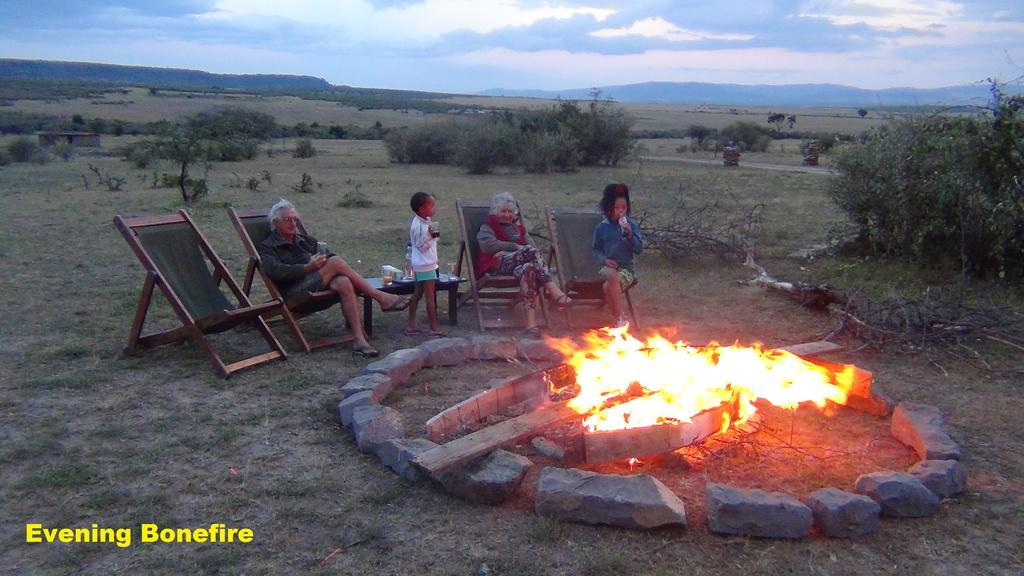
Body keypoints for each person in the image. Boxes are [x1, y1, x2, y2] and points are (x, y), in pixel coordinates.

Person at [258, 198, 410, 357]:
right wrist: (306, 268)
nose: (293, 223)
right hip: (294, 292)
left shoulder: (304, 240)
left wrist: (321, 262)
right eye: (287, 219)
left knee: (343, 281)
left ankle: (360, 340)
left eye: (295, 219)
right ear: (275, 223)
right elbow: (276, 271)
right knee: (335, 262)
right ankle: (380, 297)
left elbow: (330, 255)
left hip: (315, 284)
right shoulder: (268, 246)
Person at [475, 191, 572, 336]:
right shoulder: (488, 226)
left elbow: (534, 248)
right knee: (529, 252)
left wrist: (507, 252)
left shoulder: (519, 229)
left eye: (510, 211)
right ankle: (554, 291)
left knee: (529, 269)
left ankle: (531, 324)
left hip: (516, 265)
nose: (507, 214)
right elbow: (488, 246)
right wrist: (514, 248)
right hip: (497, 265)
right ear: (496, 211)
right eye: (503, 211)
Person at [593, 183, 643, 329]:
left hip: (626, 270)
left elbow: (639, 249)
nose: (620, 212)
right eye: (616, 208)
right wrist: (604, 260)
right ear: (609, 208)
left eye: (624, 208)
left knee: (608, 286)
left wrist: (630, 236)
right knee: (611, 276)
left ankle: (617, 320)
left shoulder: (631, 226)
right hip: (606, 269)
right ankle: (621, 318)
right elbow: (596, 249)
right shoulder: (602, 228)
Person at [405, 192, 445, 337]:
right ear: (422, 209)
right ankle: (434, 328)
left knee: (418, 294)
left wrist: (434, 235)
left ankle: (411, 325)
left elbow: (433, 240)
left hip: (424, 263)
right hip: (424, 265)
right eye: (431, 205)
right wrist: (430, 235)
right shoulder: (418, 226)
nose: (434, 208)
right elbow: (421, 246)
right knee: (429, 295)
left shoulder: (425, 221)